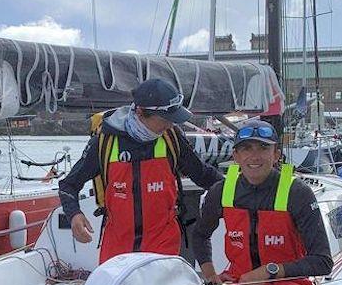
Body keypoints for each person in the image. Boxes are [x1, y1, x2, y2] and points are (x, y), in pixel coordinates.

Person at [190, 118, 333, 285]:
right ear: (236, 155)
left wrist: (268, 272)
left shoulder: (297, 193)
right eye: (246, 149)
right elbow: (200, 234)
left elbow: (323, 261)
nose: (254, 156)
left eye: (263, 148)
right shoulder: (221, 191)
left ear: (276, 154)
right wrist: (209, 274)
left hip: (286, 283)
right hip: (238, 283)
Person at [58, 77, 222, 263]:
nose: (170, 125)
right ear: (140, 112)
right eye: (165, 120)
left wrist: (240, 187)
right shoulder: (104, 142)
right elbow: (68, 185)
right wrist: (74, 215)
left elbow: (203, 175)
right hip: (117, 245)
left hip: (163, 243)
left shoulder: (172, 138)